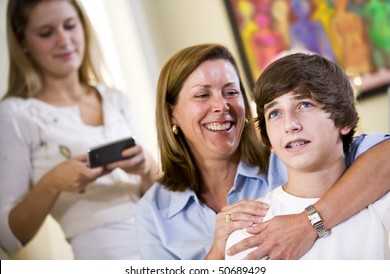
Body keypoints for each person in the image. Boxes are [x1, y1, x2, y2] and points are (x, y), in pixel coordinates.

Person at [135, 43, 390, 260]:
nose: (221, 106)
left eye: (231, 92)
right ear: (171, 115)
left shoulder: (294, 155)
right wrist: (217, 254)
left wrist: (308, 223)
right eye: (202, 95)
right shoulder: (154, 212)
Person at [0, 0, 158, 260]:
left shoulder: (116, 100)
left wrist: (147, 167)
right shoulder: (16, 115)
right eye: (46, 33)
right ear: (22, 42)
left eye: (70, 26)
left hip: (167, 244)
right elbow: (8, 238)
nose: (64, 40)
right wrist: (53, 183)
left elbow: (161, 201)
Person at [226, 53, 390, 259]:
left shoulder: (383, 203)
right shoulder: (250, 235)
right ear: (268, 140)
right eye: (275, 113)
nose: (290, 125)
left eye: (305, 104)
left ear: (344, 120)